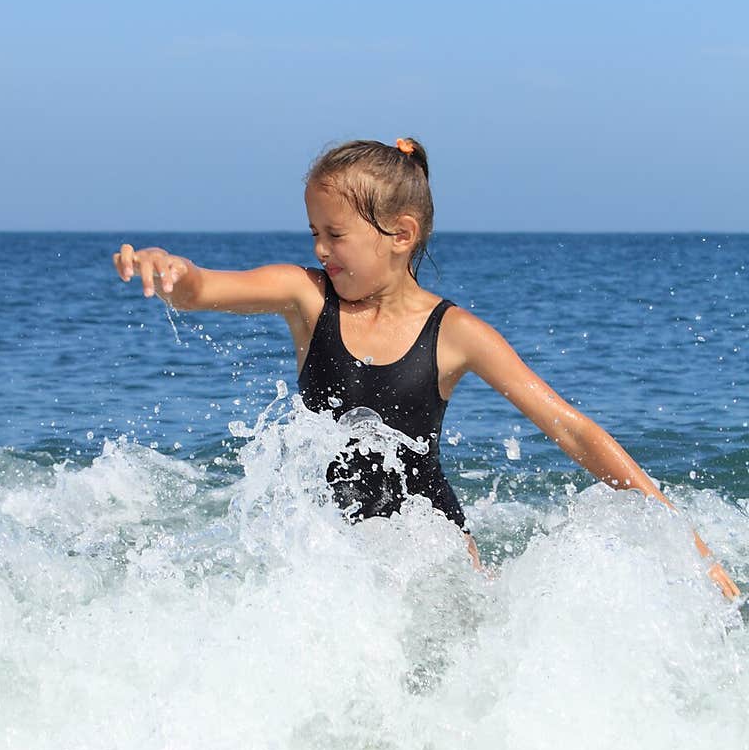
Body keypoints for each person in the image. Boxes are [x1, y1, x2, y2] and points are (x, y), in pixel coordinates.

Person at [112, 136, 740, 601]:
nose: (319, 250)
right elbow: (205, 289)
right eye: (313, 233)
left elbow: (573, 430)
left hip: (435, 561)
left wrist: (690, 547)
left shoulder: (457, 334)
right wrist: (172, 270)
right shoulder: (307, 299)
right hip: (331, 560)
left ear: (400, 234)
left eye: (335, 234)